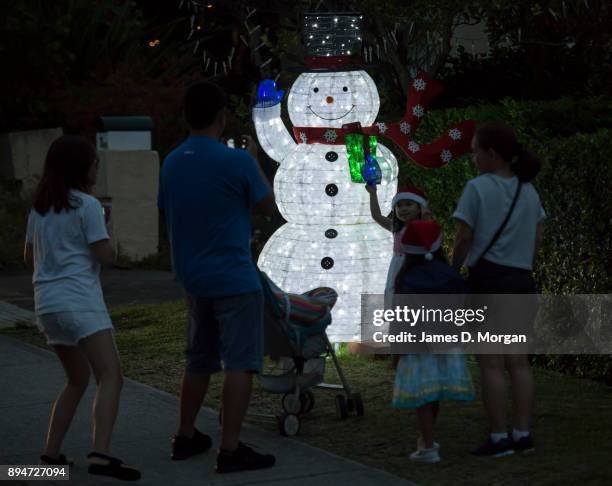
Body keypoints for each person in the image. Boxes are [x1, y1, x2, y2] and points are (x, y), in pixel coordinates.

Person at [157, 81, 278, 474]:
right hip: (234, 278)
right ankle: (229, 449)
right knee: (239, 363)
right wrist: (254, 158)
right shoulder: (236, 161)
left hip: (193, 277)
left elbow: (168, 209)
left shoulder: (172, 161)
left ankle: (185, 435)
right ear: (222, 116)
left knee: (199, 360)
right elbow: (268, 206)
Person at [24, 135, 140, 481]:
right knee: (111, 376)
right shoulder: (88, 206)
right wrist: (108, 229)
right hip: (81, 303)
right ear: (82, 168)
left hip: (47, 304)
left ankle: (50, 454)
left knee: (76, 380)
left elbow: (29, 256)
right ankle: (101, 454)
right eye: (94, 162)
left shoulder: (40, 207)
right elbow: (107, 255)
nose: (97, 167)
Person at [451, 122, 545, 457]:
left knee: (490, 364)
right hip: (521, 283)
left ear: (491, 154)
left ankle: (498, 437)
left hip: (488, 282)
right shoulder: (528, 191)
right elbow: (535, 240)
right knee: (519, 363)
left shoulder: (477, 188)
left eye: (475, 150)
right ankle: (522, 433)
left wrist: (452, 272)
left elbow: (463, 238)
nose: (473, 156)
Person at [392, 219, 475, 464]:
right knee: (434, 392)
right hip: (446, 344)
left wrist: (396, 352)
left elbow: (401, 320)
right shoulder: (450, 275)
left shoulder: (405, 280)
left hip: (417, 346)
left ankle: (428, 447)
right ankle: (427, 439)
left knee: (423, 398)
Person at [366, 185, 432, 308]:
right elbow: (376, 215)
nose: (403, 208)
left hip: (415, 270)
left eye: (408, 204)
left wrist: (426, 216)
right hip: (397, 270)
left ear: (419, 208)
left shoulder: (424, 226)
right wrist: (372, 193)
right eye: (399, 205)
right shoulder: (396, 228)